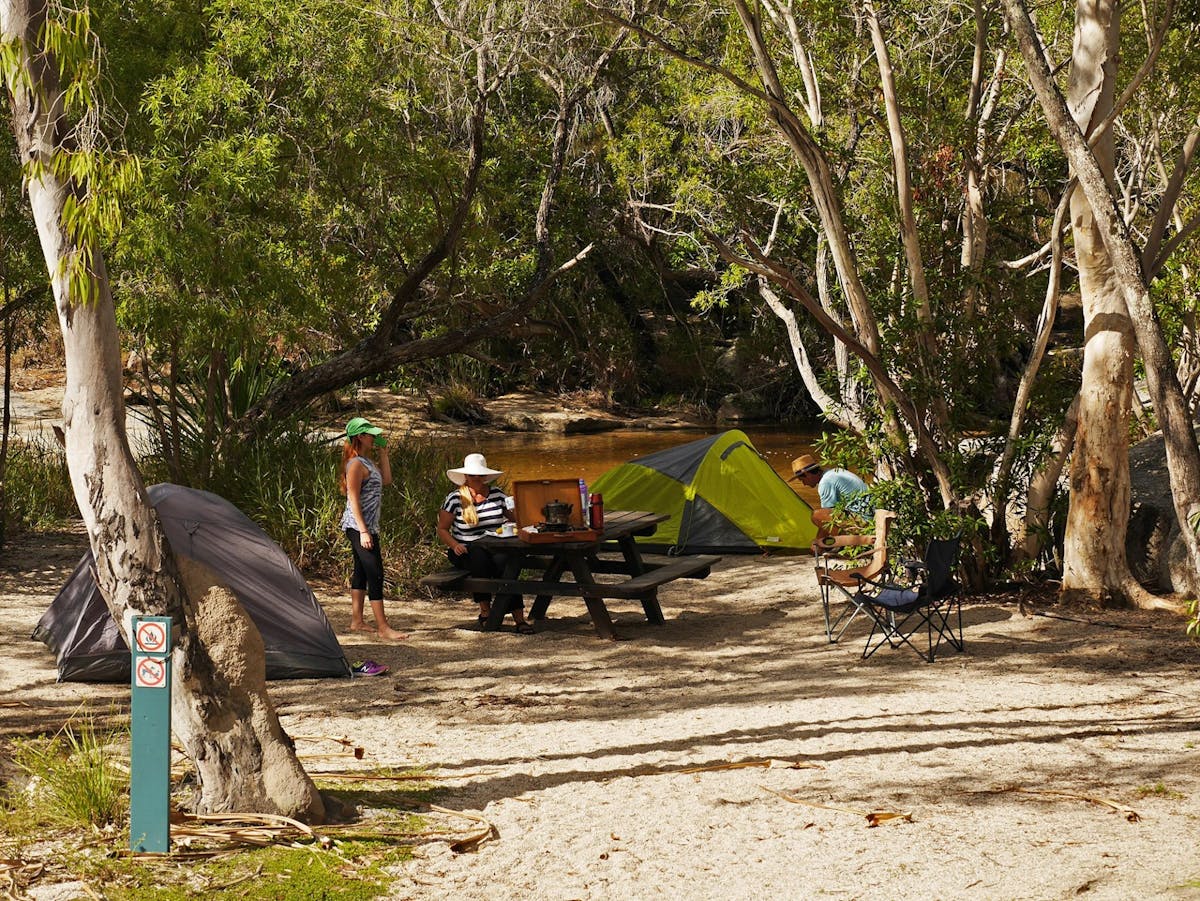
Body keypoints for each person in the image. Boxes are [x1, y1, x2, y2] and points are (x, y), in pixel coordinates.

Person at [437, 453, 533, 634]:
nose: (477, 479)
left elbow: (517, 519)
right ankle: (486, 611)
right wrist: (454, 545)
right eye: (473, 475)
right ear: (466, 476)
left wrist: (517, 507)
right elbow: (442, 529)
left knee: (507, 564)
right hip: (465, 548)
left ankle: (518, 617)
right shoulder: (455, 498)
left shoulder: (497, 494)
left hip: (495, 545)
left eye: (480, 475)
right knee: (479, 558)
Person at [339, 417, 407, 641]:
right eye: (371, 435)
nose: (374, 437)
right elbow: (353, 498)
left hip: (368, 526)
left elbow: (386, 480)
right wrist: (363, 531)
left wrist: (384, 453)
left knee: (361, 570)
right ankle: (383, 627)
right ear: (360, 437)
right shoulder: (355, 464)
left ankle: (357, 621)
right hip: (358, 526)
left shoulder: (367, 462)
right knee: (375, 573)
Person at [790, 453, 874, 534]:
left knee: (817, 515)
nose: (804, 484)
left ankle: (848, 542)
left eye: (802, 480)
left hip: (866, 520)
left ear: (807, 474)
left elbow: (826, 520)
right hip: (870, 514)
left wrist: (817, 544)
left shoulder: (825, 482)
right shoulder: (832, 472)